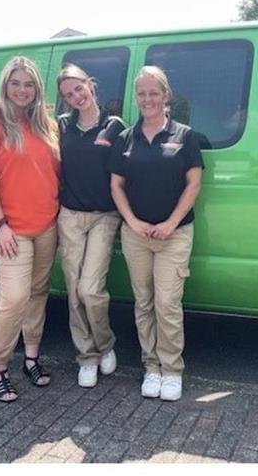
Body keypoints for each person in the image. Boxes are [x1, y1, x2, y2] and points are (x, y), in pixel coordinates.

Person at [0, 56, 60, 403]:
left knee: (37, 294)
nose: (22, 90)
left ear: (37, 88)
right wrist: (0, 225)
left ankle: (32, 358)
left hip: (46, 226)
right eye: (16, 83)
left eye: (29, 84)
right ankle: (0, 369)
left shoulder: (43, 124)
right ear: (5, 85)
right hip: (11, 231)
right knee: (14, 298)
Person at [109, 66, 204, 401]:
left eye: (154, 93)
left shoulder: (185, 135)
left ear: (166, 96)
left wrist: (170, 223)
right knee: (144, 302)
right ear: (137, 97)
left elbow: (194, 184)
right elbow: (116, 186)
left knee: (167, 303)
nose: (147, 99)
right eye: (142, 93)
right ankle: (151, 367)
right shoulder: (125, 138)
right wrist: (132, 222)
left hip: (174, 234)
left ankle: (172, 369)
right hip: (137, 234)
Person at [56, 64, 125, 388]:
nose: (76, 97)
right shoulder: (61, 127)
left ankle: (105, 344)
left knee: (90, 289)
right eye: (68, 94)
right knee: (73, 291)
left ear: (91, 85)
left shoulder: (114, 126)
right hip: (70, 215)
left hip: (103, 216)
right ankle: (87, 356)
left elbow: (125, 176)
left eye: (79, 88)